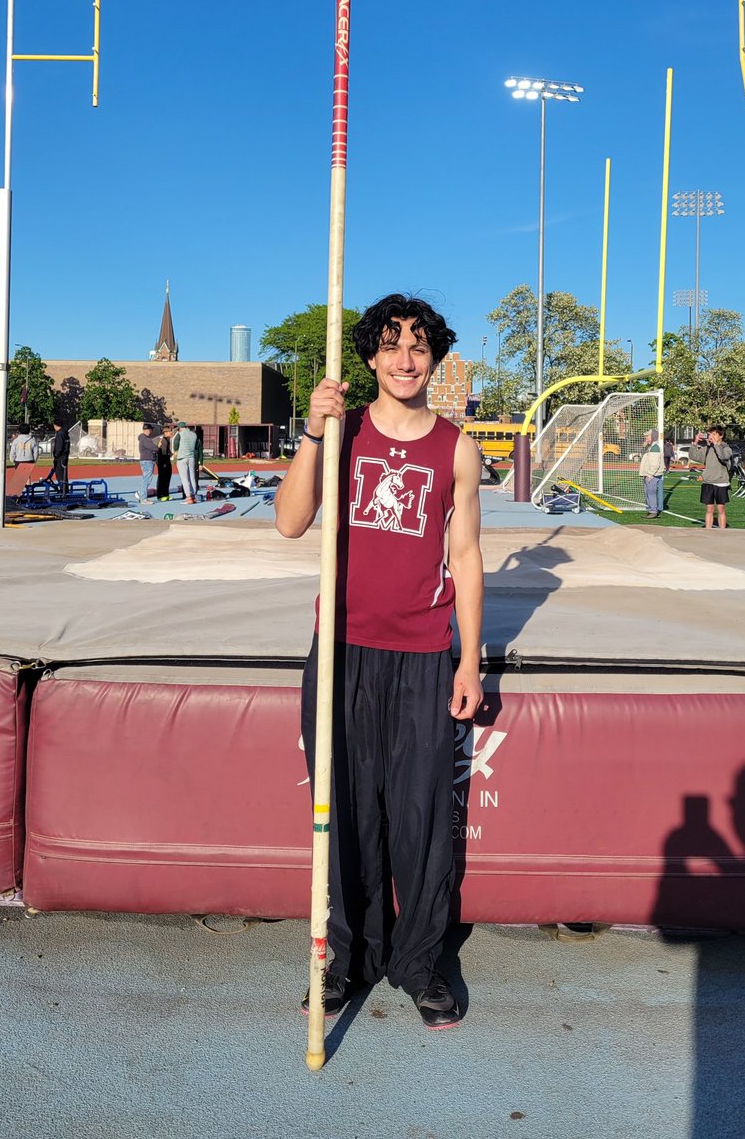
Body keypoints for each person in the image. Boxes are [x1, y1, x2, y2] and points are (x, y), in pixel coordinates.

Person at [275, 293, 484, 1030]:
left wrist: (469, 661)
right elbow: (291, 523)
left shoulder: (456, 446)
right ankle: (343, 959)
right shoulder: (344, 431)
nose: (404, 358)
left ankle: (421, 963)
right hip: (340, 650)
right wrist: (310, 433)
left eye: (418, 346)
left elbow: (463, 554)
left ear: (434, 358)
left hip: (424, 652)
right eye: (391, 344)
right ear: (369, 356)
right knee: (341, 816)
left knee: (422, 819)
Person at [690, 425, 733, 530]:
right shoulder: (707, 449)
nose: (711, 437)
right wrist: (695, 442)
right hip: (708, 482)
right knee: (709, 509)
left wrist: (716, 445)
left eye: (714, 434)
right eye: (710, 434)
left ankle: (722, 532)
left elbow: (723, 457)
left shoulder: (726, 448)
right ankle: (708, 532)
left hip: (721, 482)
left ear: (721, 435)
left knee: (721, 509)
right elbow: (693, 456)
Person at [638, 431, 664, 519]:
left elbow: (655, 464)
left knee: (651, 493)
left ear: (653, 436)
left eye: (648, 436)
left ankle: (653, 511)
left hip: (652, 475)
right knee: (648, 492)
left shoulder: (655, 448)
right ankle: (651, 510)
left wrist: (650, 475)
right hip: (650, 474)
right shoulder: (651, 447)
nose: (646, 438)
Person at [172, 421, 198, 504]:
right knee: (192, 478)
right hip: (191, 457)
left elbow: (175, 444)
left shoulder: (179, 434)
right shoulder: (194, 434)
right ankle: (194, 496)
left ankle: (188, 497)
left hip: (182, 458)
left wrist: (176, 451)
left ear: (180, 428)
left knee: (185, 479)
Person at [44, 421, 70, 494]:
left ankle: (63, 491)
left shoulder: (60, 434)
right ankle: (65, 490)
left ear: (56, 425)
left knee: (60, 475)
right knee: (64, 475)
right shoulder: (65, 433)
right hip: (64, 457)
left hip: (60, 457)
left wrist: (56, 455)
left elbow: (59, 446)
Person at [136, 423, 158, 503]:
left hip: (145, 461)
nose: (151, 431)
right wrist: (158, 446)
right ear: (148, 430)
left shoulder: (143, 438)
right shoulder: (145, 439)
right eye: (150, 429)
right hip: (147, 461)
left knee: (145, 479)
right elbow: (154, 448)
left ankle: (143, 497)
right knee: (146, 480)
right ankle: (143, 498)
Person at [156, 424, 174, 501]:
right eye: (170, 432)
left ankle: (166, 494)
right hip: (163, 461)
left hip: (166, 459)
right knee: (162, 477)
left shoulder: (168, 440)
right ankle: (161, 495)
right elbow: (163, 453)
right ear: (166, 433)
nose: (171, 433)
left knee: (167, 477)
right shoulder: (164, 440)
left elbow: (168, 452)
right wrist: (165, 462)